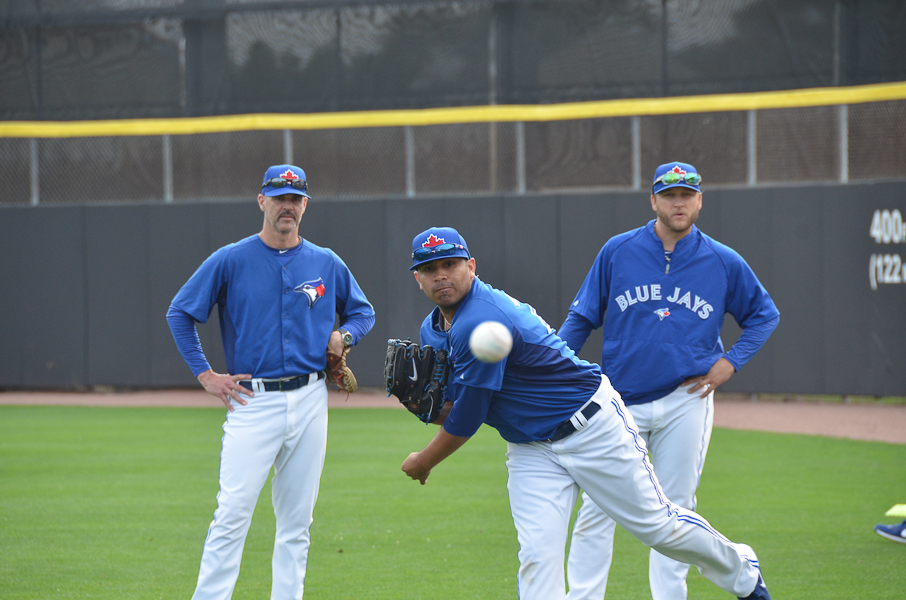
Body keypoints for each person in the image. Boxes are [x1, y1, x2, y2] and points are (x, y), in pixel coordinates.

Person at [400, 226, 771, 600]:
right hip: (531, 448)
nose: (441, 275)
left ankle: (743, 573)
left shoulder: (481, 318)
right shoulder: (433, 331)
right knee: (536, 556)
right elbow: (458, 407)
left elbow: (468, 418)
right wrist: (425, 409)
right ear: (418, 279)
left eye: (450, 264)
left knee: (659, 527)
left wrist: (423, 461)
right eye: (430, 269)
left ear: (472, 266)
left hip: (591, 427)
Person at [558, 161, 780, 600]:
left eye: (687, 194)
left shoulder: (722, 260)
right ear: (654, 200)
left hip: (687, 398)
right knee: (597, 510)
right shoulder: (618, 251)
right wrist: (556, 366)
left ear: (699, 200)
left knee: (675, 511)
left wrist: (731, 362)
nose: (679, 202)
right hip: (619, 402)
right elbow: (582, 317)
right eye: (670, 194)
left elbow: (763, 316)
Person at [166, 164, 375, 600]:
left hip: (311, 396)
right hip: (252, 401)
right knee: (233, 513)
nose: (288, 205)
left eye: (296, 198)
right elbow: (180, 313)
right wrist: (205, 375)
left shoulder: (326, 262)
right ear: (262, 201)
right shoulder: (232, 259)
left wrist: (344, 335)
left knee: (297, 523)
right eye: (279, 197)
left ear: (305, 206)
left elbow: (362, 312)